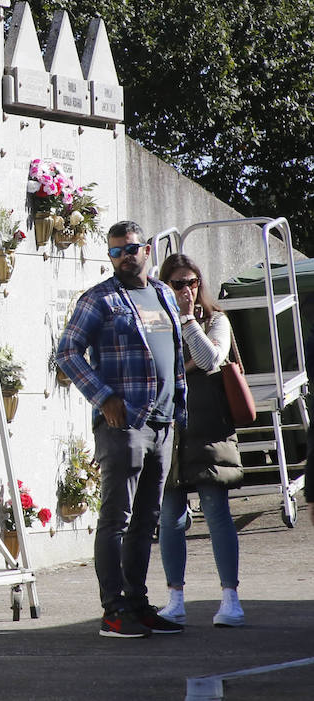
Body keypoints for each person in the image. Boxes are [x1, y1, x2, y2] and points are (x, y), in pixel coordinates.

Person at [56, 221, 188, 638]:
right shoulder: (100, 299)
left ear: (147, 250)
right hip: (124, 424)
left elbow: (175, 356)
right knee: (117, 519)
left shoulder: (165, 293)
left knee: (147, 521)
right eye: (116, 252)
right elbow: (68, 352)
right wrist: (104, 397)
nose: (124, 257)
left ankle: (136, 602)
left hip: (163, 423)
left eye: (131, 249)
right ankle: (113, 611)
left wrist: (179, 408)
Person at [155, 253, 245, 627]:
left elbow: (210, 360)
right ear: (164, 285)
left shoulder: (216, 320)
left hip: (209, 428)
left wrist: (190, 319)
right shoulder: (155, 319)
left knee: (216, 512)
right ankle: (175, 598)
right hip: (171, 428)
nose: (187, 290)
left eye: (192, 282)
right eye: (178, 283)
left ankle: (230, 598)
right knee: (170, 518)